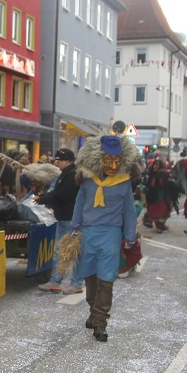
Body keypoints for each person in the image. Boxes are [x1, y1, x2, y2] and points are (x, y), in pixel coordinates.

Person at [69, 135, 141, 342]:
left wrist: (129, 235)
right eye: (108, 159)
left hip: (110, 234)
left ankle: (100, 323)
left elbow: (129, 211)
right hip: (88, 234)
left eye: (116, 159)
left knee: (106, 279)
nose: (112, 164)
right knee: (90, 277)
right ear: (100, 158)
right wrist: (74, 227)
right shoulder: (88, 179)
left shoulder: (124, 182)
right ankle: (93, 310)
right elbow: (79, 204)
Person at [38, 147, 82, 294]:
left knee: (73, 251)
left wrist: (44, 199)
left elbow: (63, 195)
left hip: (71, 218)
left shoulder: (72, 174)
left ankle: (75, 283)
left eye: (59, 161)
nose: (57, 163)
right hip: (64, 217)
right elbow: (59, 194)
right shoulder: (66, 174)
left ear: (67, 161)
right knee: (60, 250)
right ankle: (56, 281)